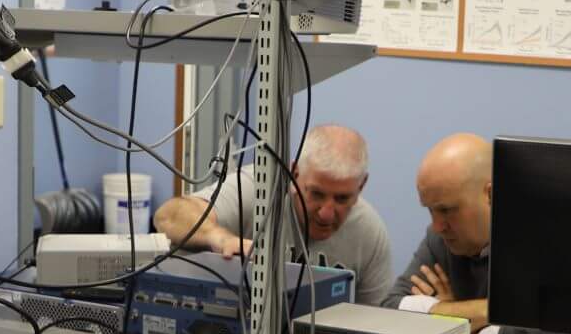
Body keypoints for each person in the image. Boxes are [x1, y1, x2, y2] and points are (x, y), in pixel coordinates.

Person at [382, 133, 571, 334]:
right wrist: (489, 312)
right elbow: (391, 311)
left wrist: (445, 315)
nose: (437, 226)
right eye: (430, 210)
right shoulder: (441, 238)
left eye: (446, 210)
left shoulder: (554, 240)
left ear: (490, 194)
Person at [151, 123, 393, 306]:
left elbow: (375, 327)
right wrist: (219, 238)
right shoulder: (259, 187)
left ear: (361, 186)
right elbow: (168, 216)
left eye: (342, 199)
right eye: (316, 194)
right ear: (294, 173)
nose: (327, 213)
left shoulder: (369, 232)